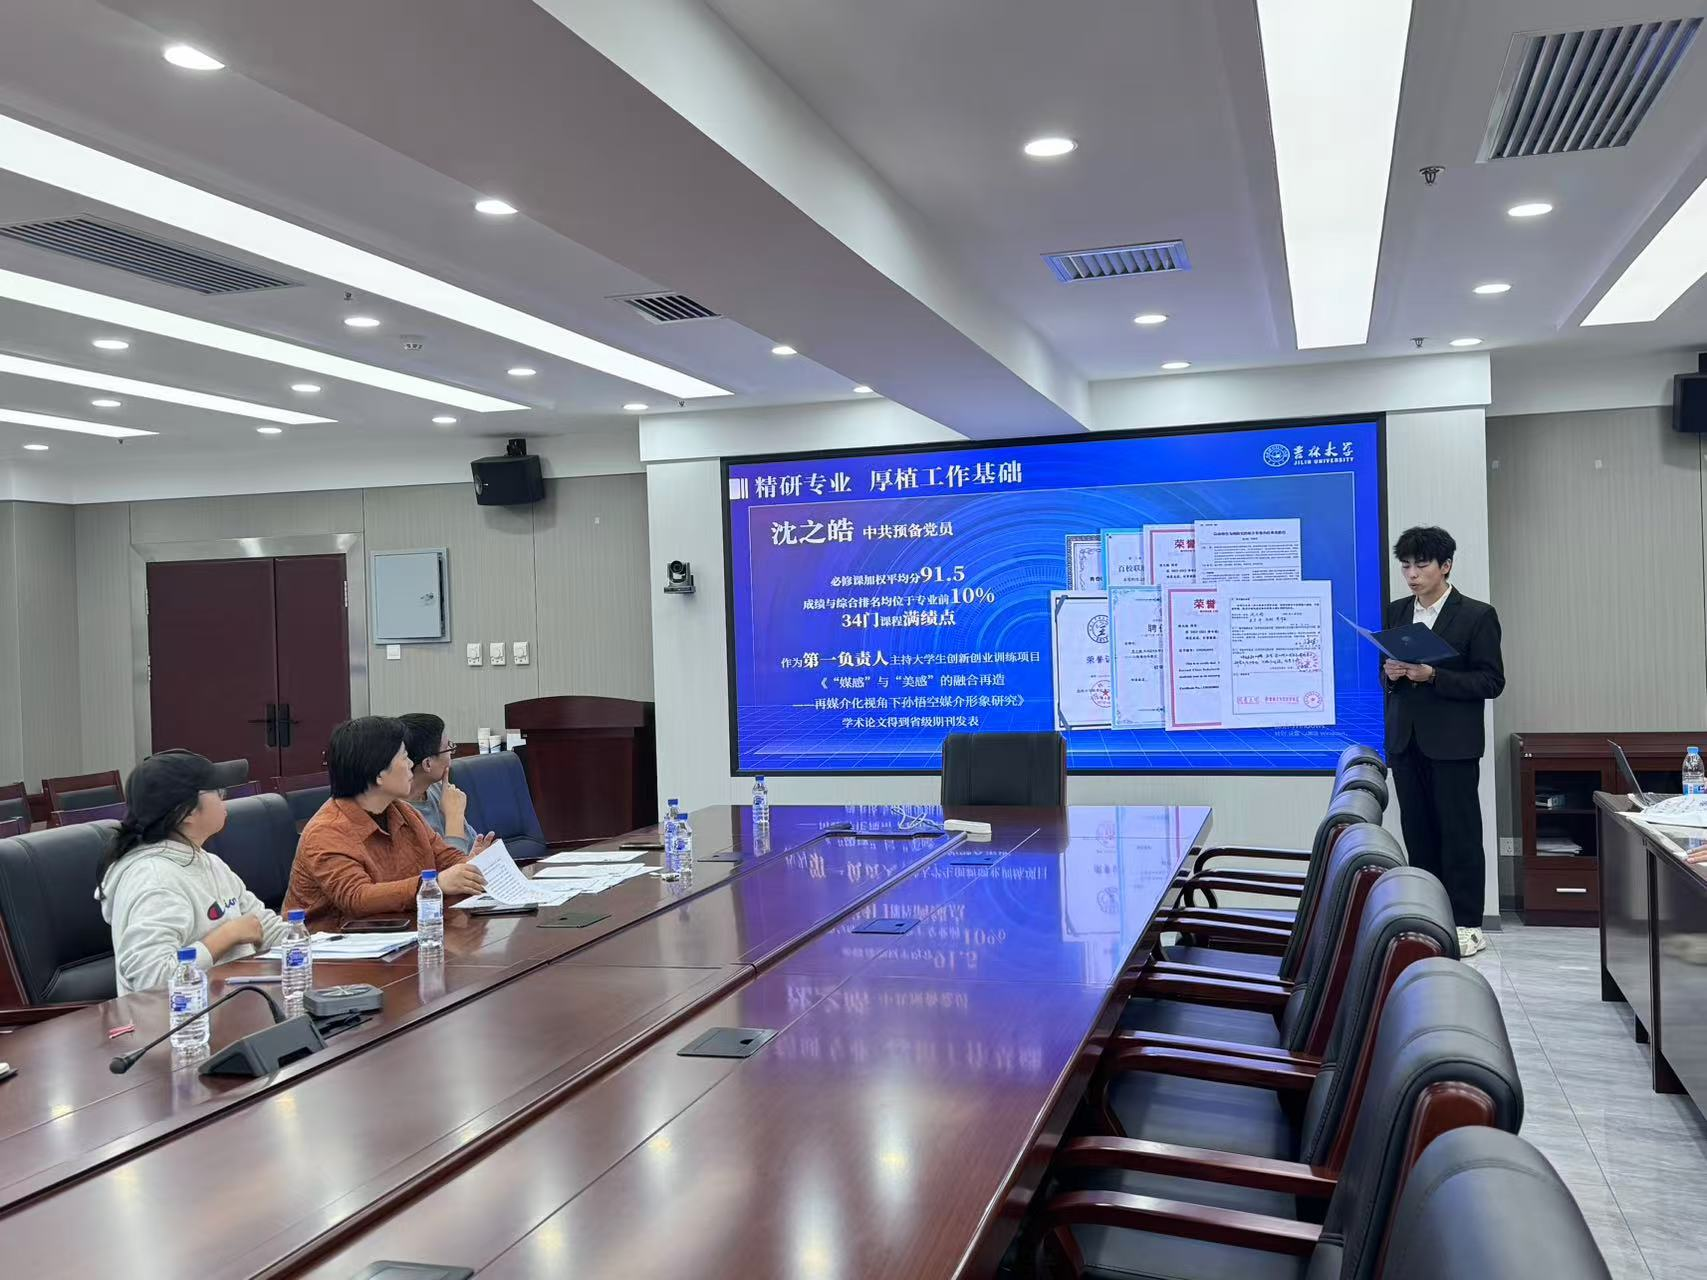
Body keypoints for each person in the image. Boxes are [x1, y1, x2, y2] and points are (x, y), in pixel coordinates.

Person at [1382, 525, 1506, 957]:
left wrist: (1435, 675)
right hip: (1406, 741)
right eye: (1406, 567)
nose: (1412, 575)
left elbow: (1491, 681)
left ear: (1446, 566)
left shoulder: (1476, 615)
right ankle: (1428, 920)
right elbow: (1389, 675)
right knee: (1418, 833)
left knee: (1459, 834)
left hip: (1453, 744)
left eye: (1421, 566)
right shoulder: (1397, 612)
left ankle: (1468, 923)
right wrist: (1391, 674)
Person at [97, 749, 289, 995]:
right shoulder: (154, 878)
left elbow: (264, 928)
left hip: (235, 1003)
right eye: (217, 792)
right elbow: (151, 980)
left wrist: (315, 944)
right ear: (186, 811)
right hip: (181, 1016)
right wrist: (226, 936)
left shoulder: (208, 862)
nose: (224, 798)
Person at [283, 716, 488, 931]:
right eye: (405, 757)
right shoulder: (326, 831)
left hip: (400, 931)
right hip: (329, 944)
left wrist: (472, 865)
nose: (411, 764)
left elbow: (446, 858)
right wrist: (434, 884)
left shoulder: (402, 811)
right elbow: (357, 897)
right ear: (379, 774)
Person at [398, 712, 490, 855]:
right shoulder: (398, 815)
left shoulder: (437, 789)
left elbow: (471, 847)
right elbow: (450, 867)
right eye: (448, 748)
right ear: (428, 764)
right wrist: (454, 817)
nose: (450, 757)